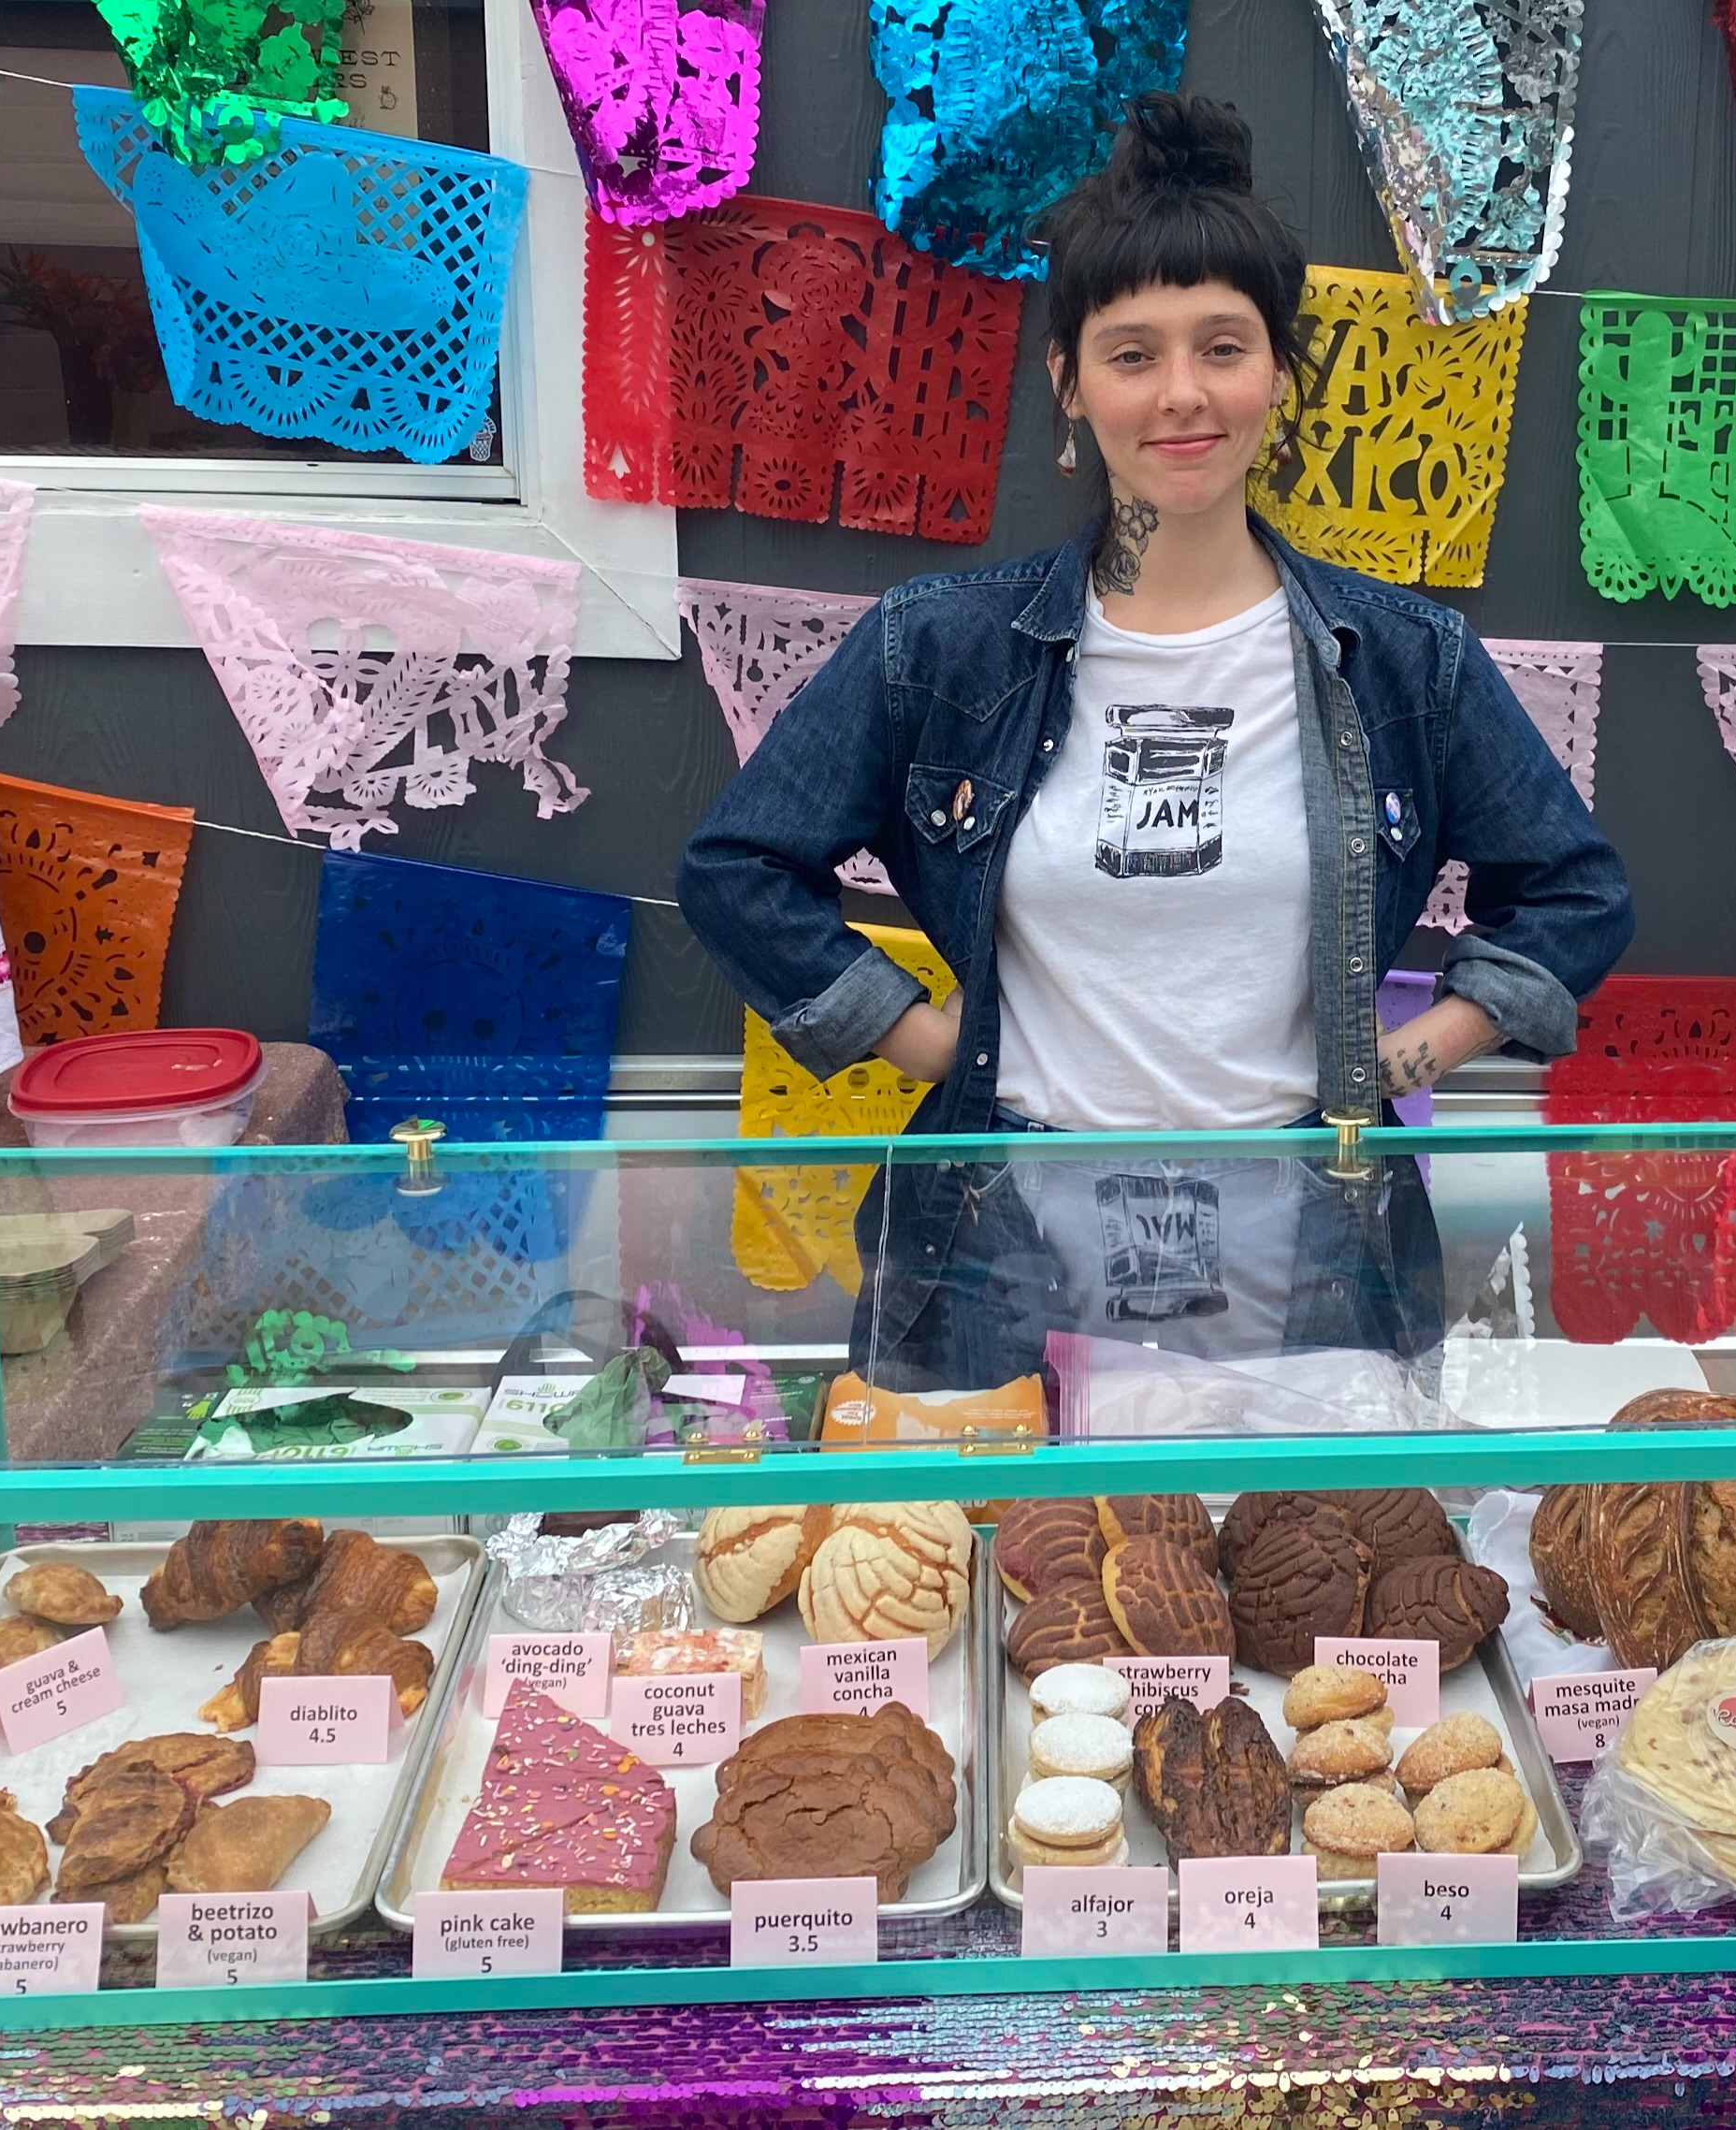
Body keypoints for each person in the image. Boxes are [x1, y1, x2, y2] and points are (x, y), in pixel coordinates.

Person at [679, 92, 1630, 1389]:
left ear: (1280, 373)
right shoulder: (939, 647)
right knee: (1013, 1525)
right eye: (1132, 354)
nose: (1182, 394)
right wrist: (929, 1043)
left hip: (1319, 1258)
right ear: (1068, 383)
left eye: (1222, 346)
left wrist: (1391, 1064)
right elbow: (737, 869)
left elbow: (1576, 895)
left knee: (1309, 1528)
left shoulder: (1407, 661)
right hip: (997, 1262)